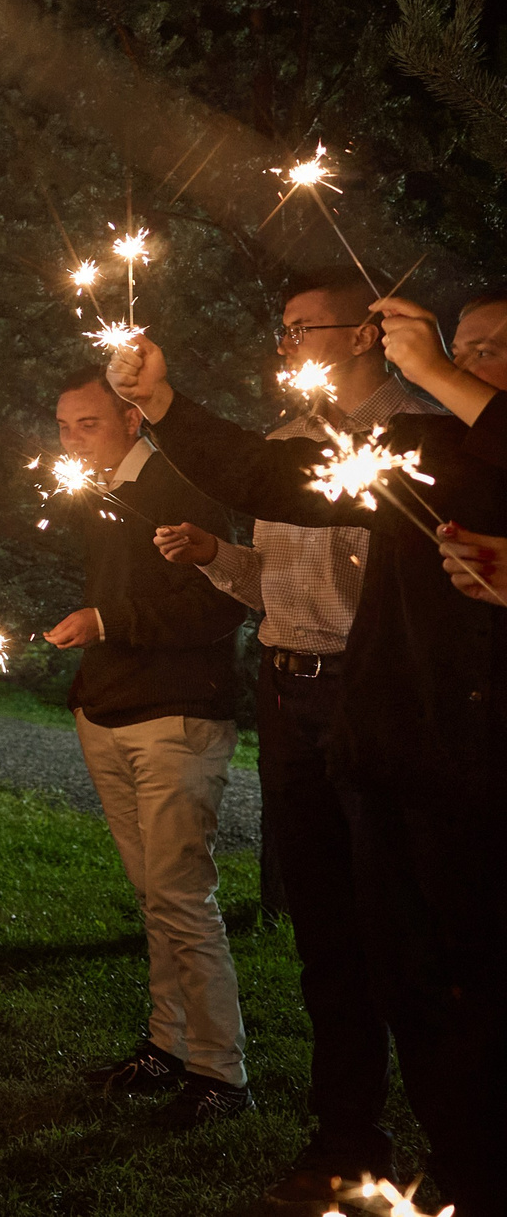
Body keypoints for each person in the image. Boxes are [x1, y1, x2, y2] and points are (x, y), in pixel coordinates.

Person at [113, 297, 507, 1207]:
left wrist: (433, 371)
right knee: (391, 962)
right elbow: (266, 475)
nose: (462, 365)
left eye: (488, 350)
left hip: (468, 765)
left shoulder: (439, 427)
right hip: (392, 743)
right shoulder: (424, 451)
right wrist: (163, 401)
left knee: (467, 974)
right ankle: (410, 1153)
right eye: (459, 349)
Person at [147, 278, 428, 1201]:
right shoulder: (279, 444)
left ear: (367, 333)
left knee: (402, 926)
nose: (287, 343)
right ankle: (346, 1137)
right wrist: (216, 558)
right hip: (287, 691)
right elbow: (270, 580)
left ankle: (457, 1141)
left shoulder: (417, 438)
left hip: (371, 695)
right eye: (284, 329)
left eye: (304, 328)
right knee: (325, 928)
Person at [41, 370, 252, 1127]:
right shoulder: (100, 495)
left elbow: (220, 602)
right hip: (109, 710)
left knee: (181, 896)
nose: (72, 439)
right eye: (63, 425)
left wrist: (107, 621)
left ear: (133, 419)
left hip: (175, 717)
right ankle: (168, 1046)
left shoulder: (180, 486)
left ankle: (220, 1072)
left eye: (88, 423)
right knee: (152, 894)